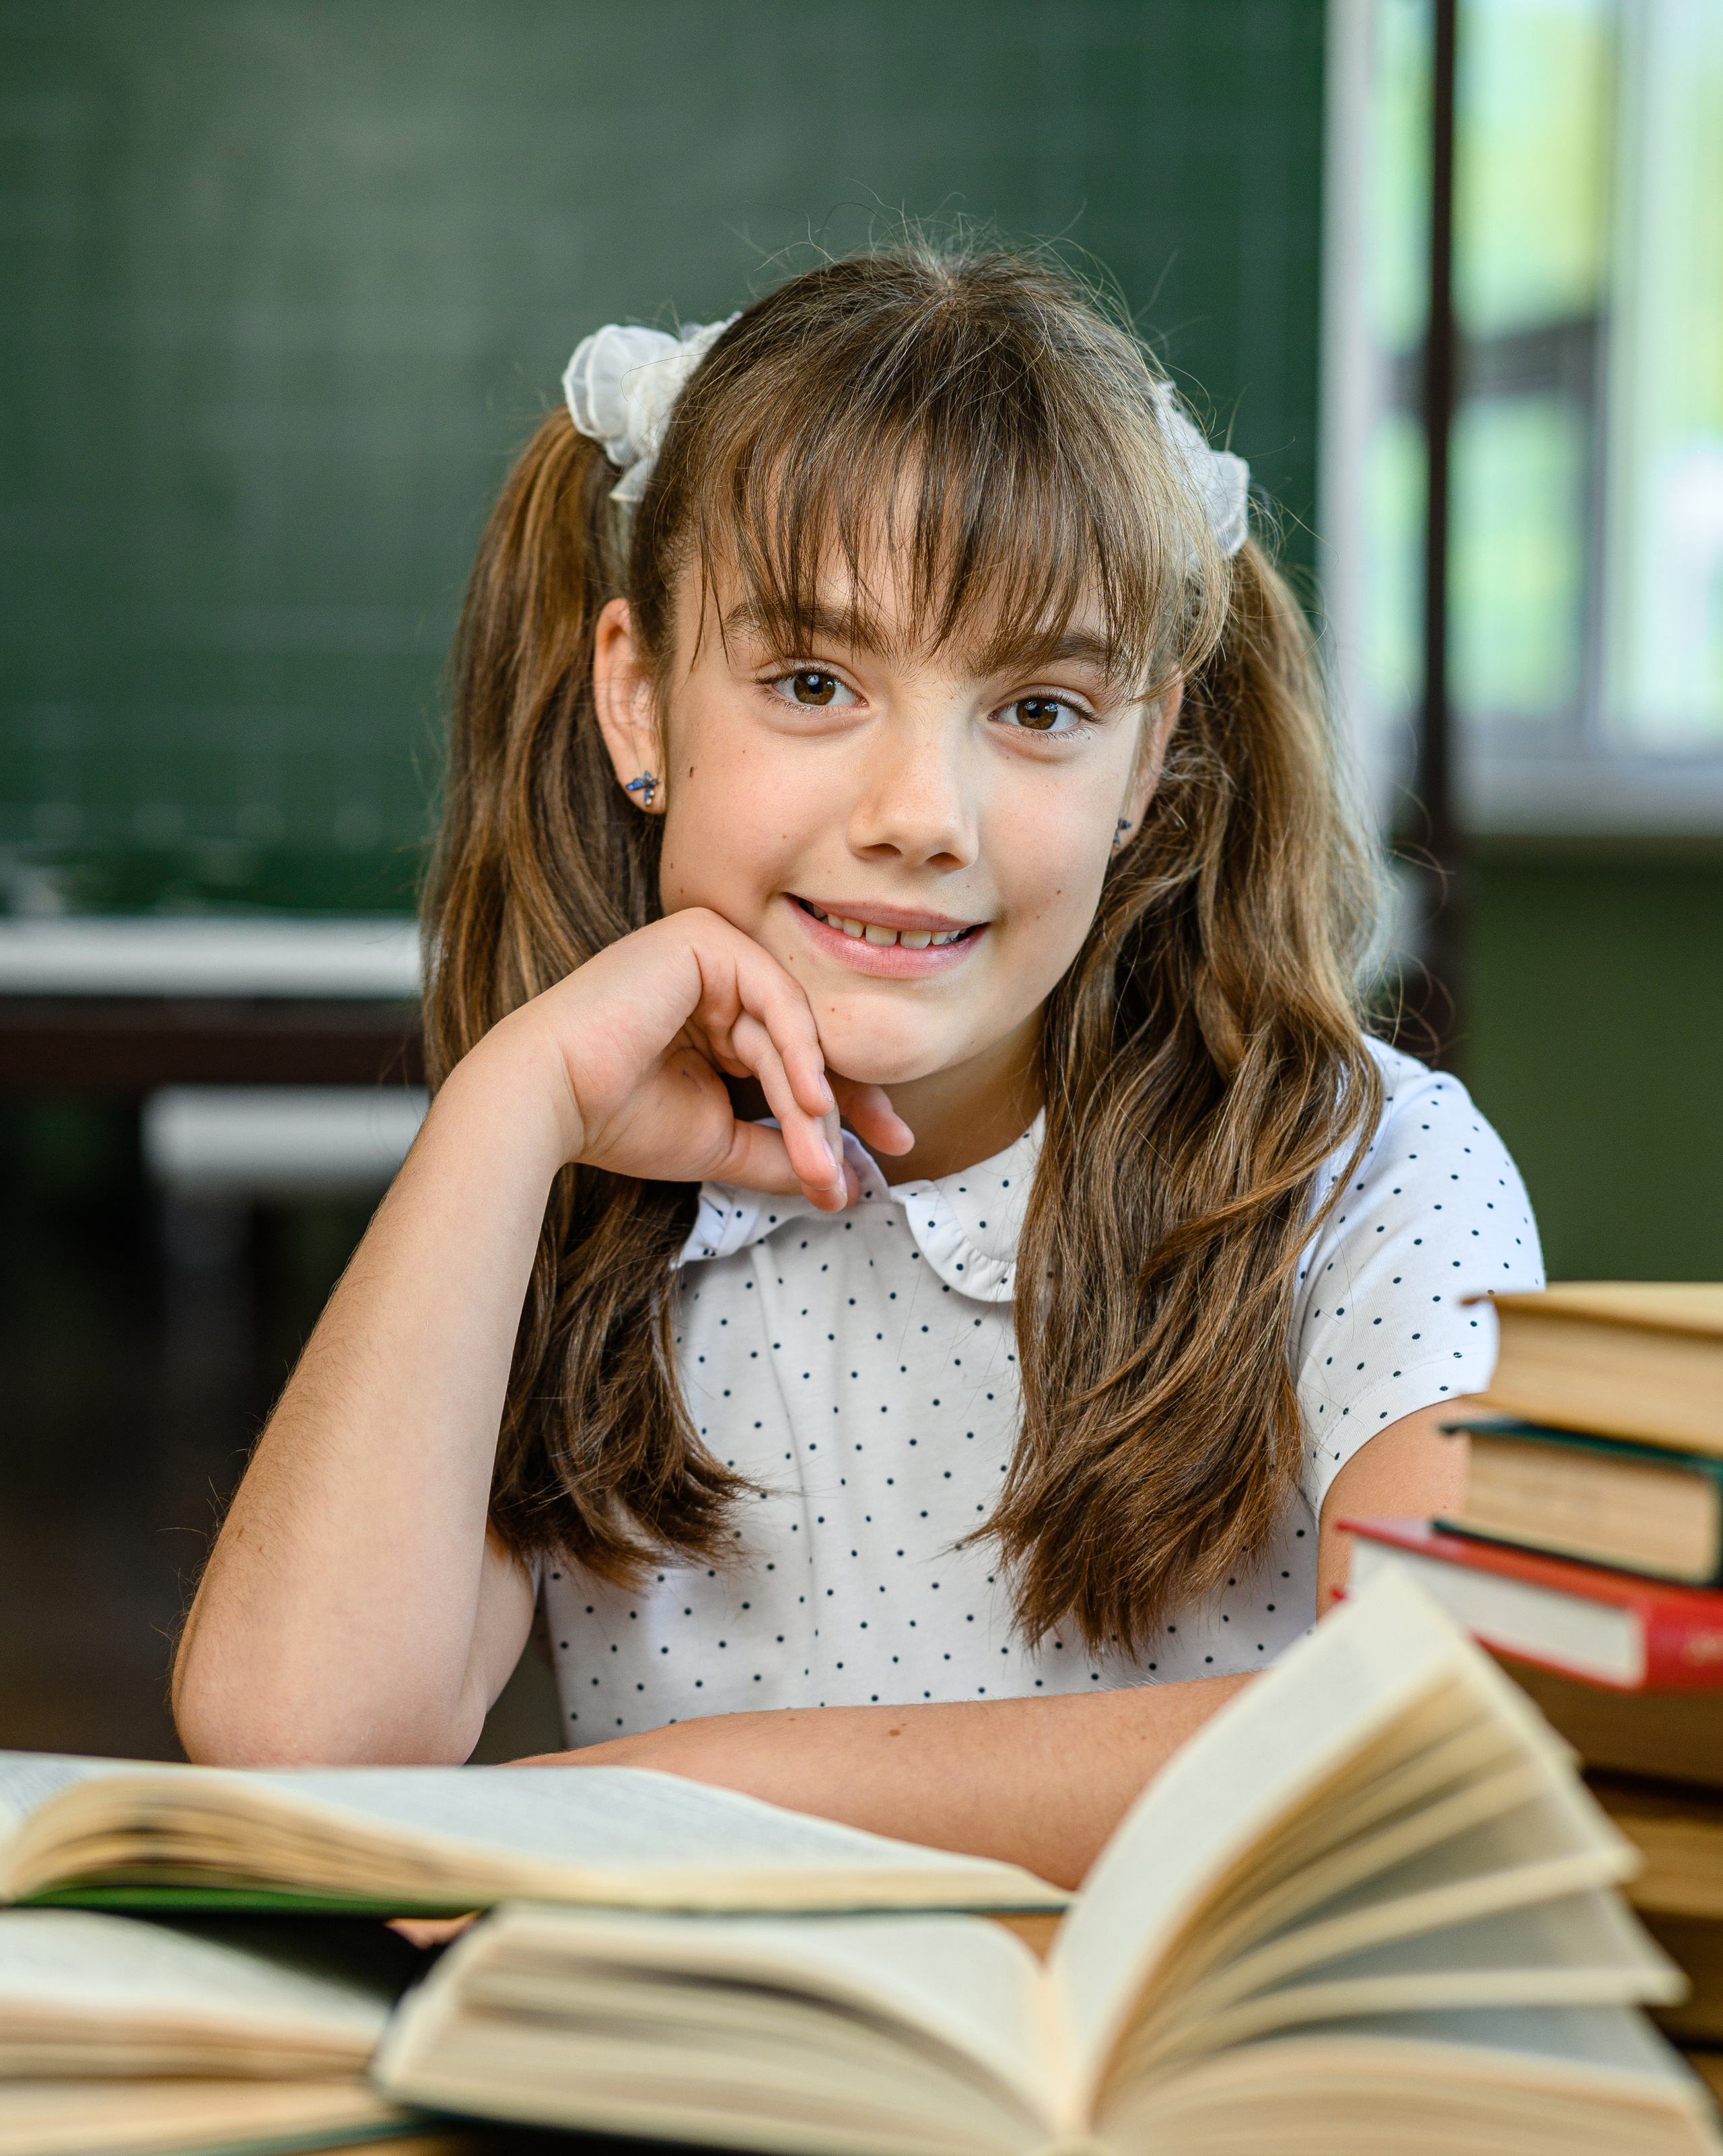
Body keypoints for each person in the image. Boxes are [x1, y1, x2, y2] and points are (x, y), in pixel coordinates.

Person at [171, 244, 1542, 1889]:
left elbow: (1443, 1711)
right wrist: (504, 1110)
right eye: (813, 683)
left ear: (1147, 758)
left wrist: (671, 1795)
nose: (920, 815)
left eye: (1037, 707)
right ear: (638, 703)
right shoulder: (562, 1209)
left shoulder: (1372, 1180)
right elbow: (296, 1747)